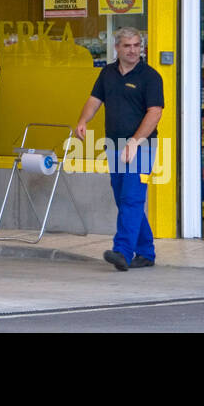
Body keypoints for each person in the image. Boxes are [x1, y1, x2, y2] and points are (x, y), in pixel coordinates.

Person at [75, 27, 165, 271]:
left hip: (142, 146)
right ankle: (146, 252)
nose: (133, 50)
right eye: (128, 46)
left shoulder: (150, 77)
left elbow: (155, 112)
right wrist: (83, 121)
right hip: (114, 145)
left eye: (137, 45)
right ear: (117, 48)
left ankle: (122, 252)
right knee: (123, 198)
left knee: (132, 199)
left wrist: (135, 141)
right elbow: (95, 100)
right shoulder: (107, 73)